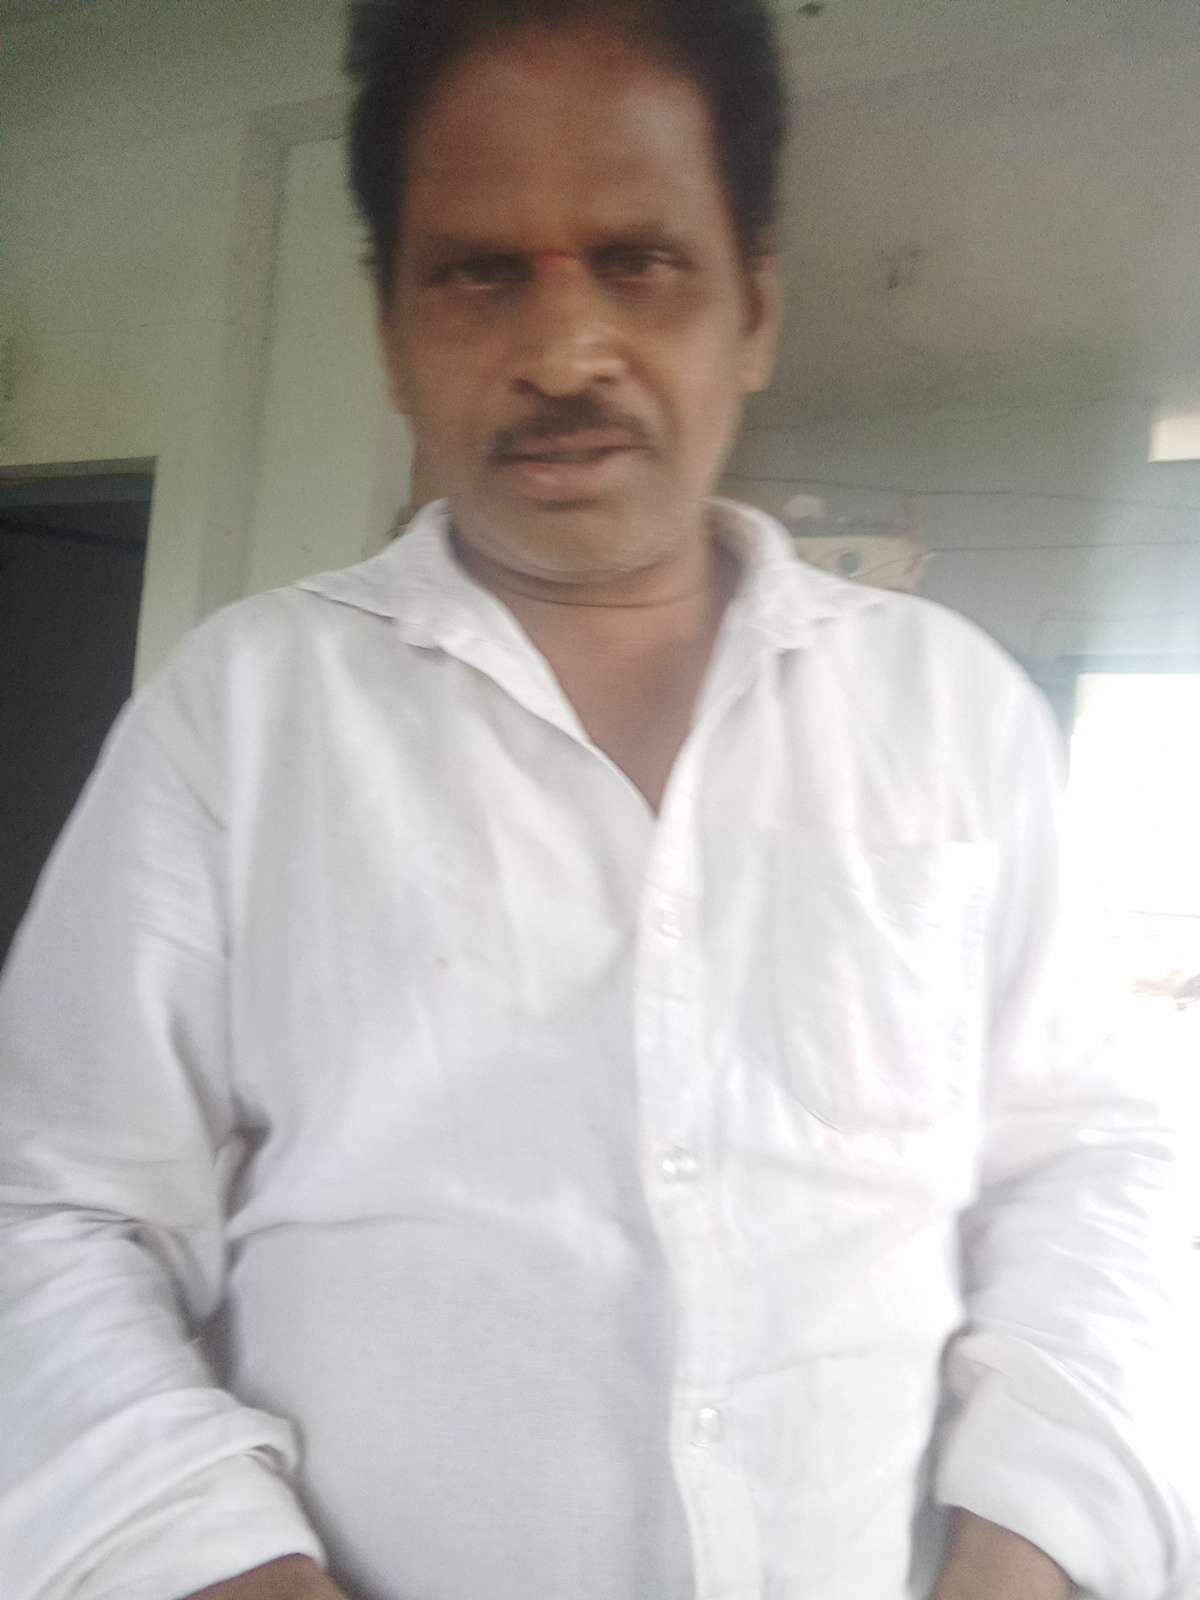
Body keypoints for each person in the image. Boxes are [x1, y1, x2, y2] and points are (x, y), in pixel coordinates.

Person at [0, 3, 1195, 1598]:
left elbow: (1091, 1162)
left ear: (752, 309)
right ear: (391, 329)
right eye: (477, 271)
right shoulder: (243, 716)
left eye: (639, 259)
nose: (564, 355)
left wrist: (1034, 1545)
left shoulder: (949, 709)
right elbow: (52, 1216)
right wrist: (218, 1567)